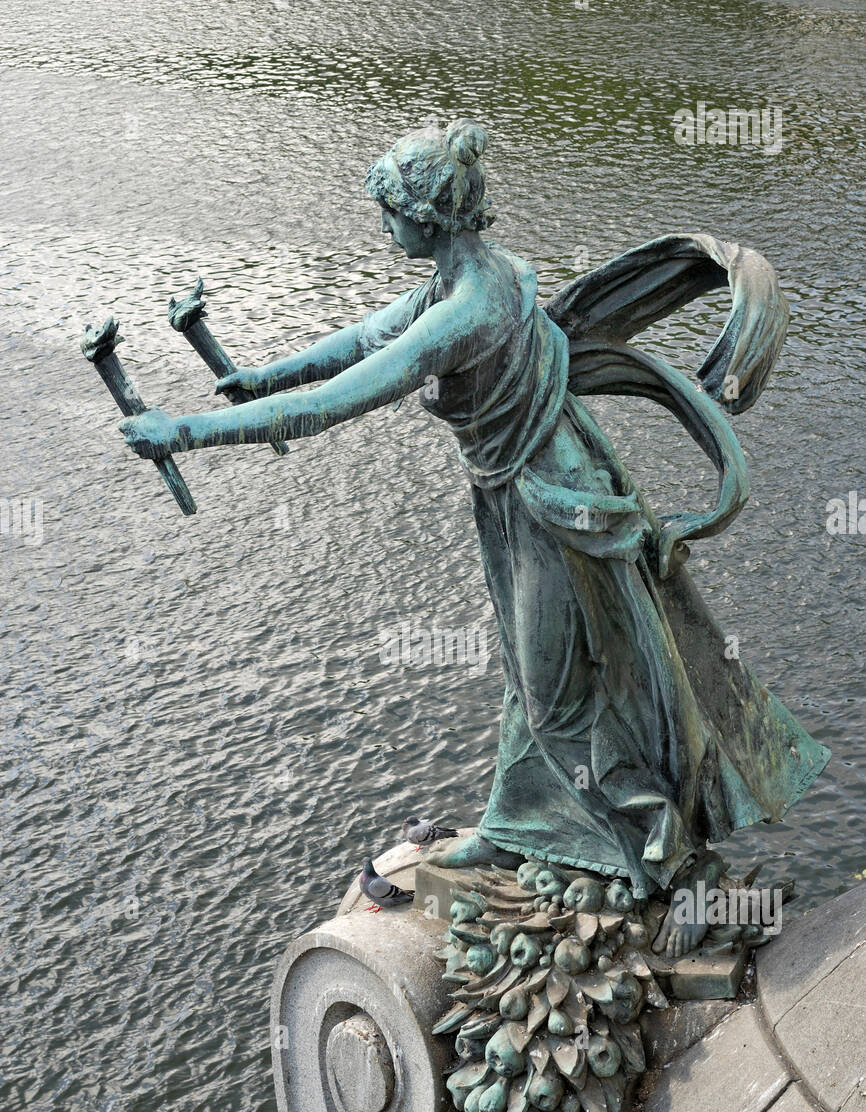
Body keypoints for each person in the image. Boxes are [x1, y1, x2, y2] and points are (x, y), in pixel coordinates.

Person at [119, 118, 829, 956]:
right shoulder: (471, 276)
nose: (383, 224)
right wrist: (258, 379)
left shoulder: (472, 308)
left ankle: (679, 867)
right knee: (530, 683)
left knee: (566, 695)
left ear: (427, 216)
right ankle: (518, 823)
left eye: (391, 209)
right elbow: (357, 344)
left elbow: (345, 397)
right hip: (517, 500)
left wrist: (190, 431)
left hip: (562, 510)